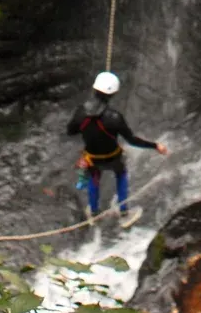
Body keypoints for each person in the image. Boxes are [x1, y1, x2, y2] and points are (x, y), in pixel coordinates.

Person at [66, 71, 167, 228]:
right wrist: (155, 146)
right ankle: (124, 212)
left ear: (94, 89)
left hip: (93, 158)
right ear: (113, 94)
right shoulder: (114, 117)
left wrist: (87, 129)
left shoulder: (81, 112)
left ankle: (93, 213)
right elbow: (132, 140)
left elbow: (70, 131)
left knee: (94, 178)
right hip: (114, 157)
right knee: (121, 175)